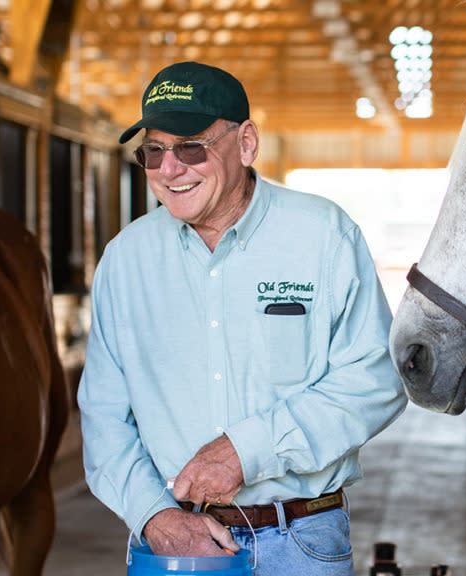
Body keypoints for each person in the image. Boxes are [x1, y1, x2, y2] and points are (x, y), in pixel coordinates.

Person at [78, 61, 407, 575]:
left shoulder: (323, 236)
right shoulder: (126, 261)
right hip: (172, 545)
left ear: (246, 144)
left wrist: (246, 450)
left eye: (191, 148)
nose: (170, 170)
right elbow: (103, 415)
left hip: (299, 541)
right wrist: (154, 515)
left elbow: (376, 380)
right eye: (154, 152)